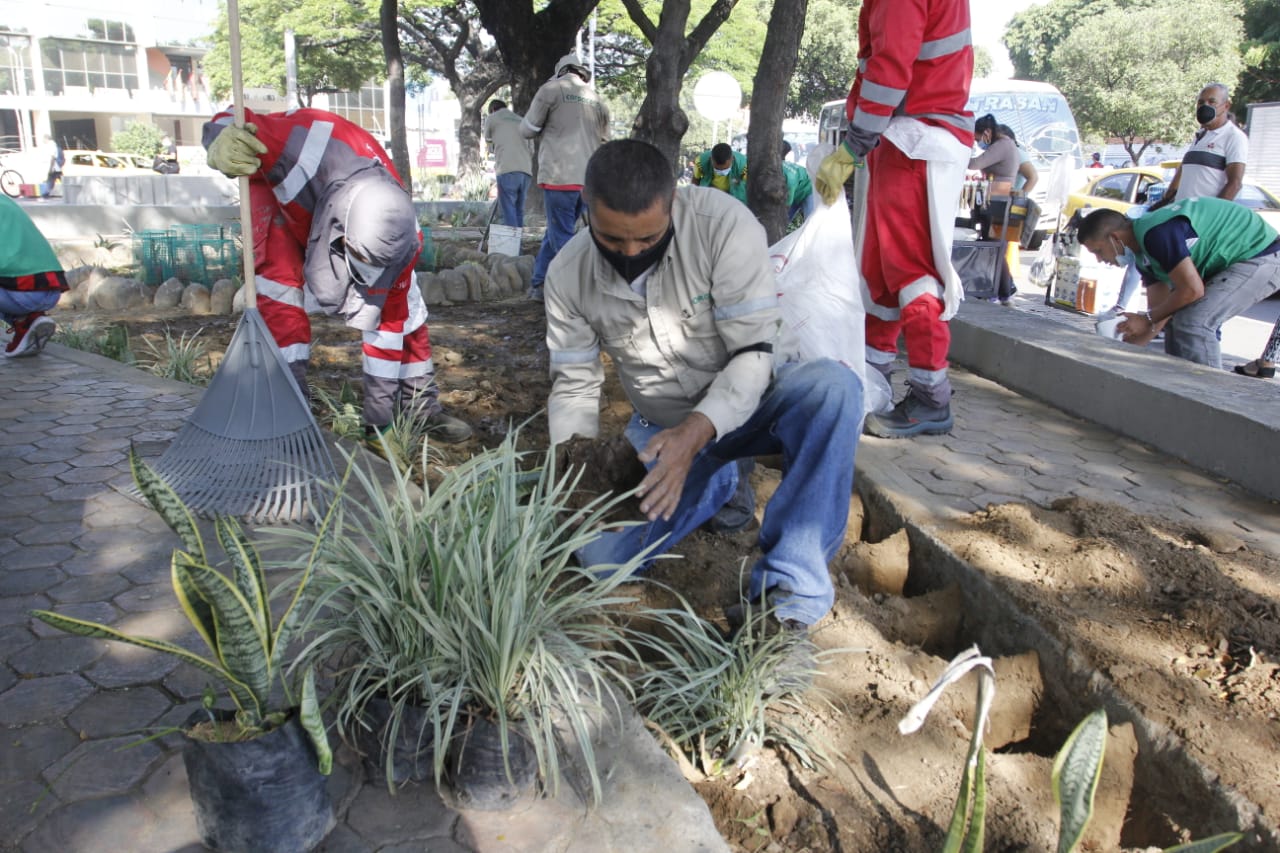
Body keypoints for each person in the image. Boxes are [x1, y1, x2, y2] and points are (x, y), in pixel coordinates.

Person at [546, 139, 864, 640]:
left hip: (757, 406)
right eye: (612, 241)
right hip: (662, 428)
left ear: (673, 202)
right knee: (599, 562)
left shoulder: (724, 226)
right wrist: (578, 481)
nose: (630, 254)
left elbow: (754, 353)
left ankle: (786, 603)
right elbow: (573, 387)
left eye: (647, 240)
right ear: (586, 208)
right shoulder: (567, 276)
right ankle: (713, 482)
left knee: (834, 389)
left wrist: (696, 435)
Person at [201, 107, 472, 446]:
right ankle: (288, 413)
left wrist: (378, 425)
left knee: (409, 319)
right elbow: (234, 117)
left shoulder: (401, 238)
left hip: (341, 216)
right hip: (279, 203)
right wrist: (220, 138)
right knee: (281, 298)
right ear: (341, 237)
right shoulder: (298, 148)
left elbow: (386, 334)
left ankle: (420, 408)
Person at [815, 0, 973, 438]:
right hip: (906, 141)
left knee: (912, 274)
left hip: (914, 142)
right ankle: (871, 378)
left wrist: (852, 147)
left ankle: (929, 397)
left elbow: (888, 69)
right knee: (881, 274)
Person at [1077, 200, 1280, 368]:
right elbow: (1160, 313)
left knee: (1194, 322)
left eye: (1098, 251)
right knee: (1175, 325)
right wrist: (1122, 352)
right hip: (1234, 260)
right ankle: (1183, 394)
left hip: (1263, 254)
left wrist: (1145, 319)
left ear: (1114, 238)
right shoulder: (1143, 257)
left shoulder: (1155, 234)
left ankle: (1210, 399)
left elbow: (1192, 291)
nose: (1099, 260)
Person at [520, 53, 610, 302]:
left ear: (561, 70)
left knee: (563, 238)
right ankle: (538, 284)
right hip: (589, 180)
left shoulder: (550, 90)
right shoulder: (597, 99)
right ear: (582, 73)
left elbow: (527, 129)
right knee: (557, 231)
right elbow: (605, 141)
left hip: (560, 177)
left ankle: (579, 293)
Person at [1, 194, 66, 357]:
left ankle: (24, 317)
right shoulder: (5, 201)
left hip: (20, 292)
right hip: (49, 289)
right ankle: (26, 321)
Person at [1164, 83, 1248, 204]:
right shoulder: (1200, 135)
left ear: (1226, 106)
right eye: (1201, 102)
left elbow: (1235, 184)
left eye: (1212, 102)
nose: (1205, 106)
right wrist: (1167, 198)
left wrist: (1211, 214)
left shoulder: (1234, 137)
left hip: (1203, 218)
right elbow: (1185, 169)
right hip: (1182, 213)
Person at [483, 99, 532, 227]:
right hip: (526, 171)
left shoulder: (492, 118)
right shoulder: (521, 120)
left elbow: (488, 143)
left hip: (506, 169)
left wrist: (494, 149)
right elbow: (531, 149)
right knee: (519, 211)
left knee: (509, 211)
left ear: (492, 110)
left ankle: (511, 246)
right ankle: (518, 245)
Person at [780, 140, 814, 223]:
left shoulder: (790, 178)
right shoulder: (758, 164)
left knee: (810, 223)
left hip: (808, 190)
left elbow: (787, 205)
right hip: (795, 191)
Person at [38, 134, 63, 198]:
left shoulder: (51, 146)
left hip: (54, 167)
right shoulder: (54, 145)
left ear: (46, 139)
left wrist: (50, 168)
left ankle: (46, 193)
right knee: (53, 179)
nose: (43, 140)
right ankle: (46, 193)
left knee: (51, 179)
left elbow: (52, 157)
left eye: (43, 139)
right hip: (55, 167)